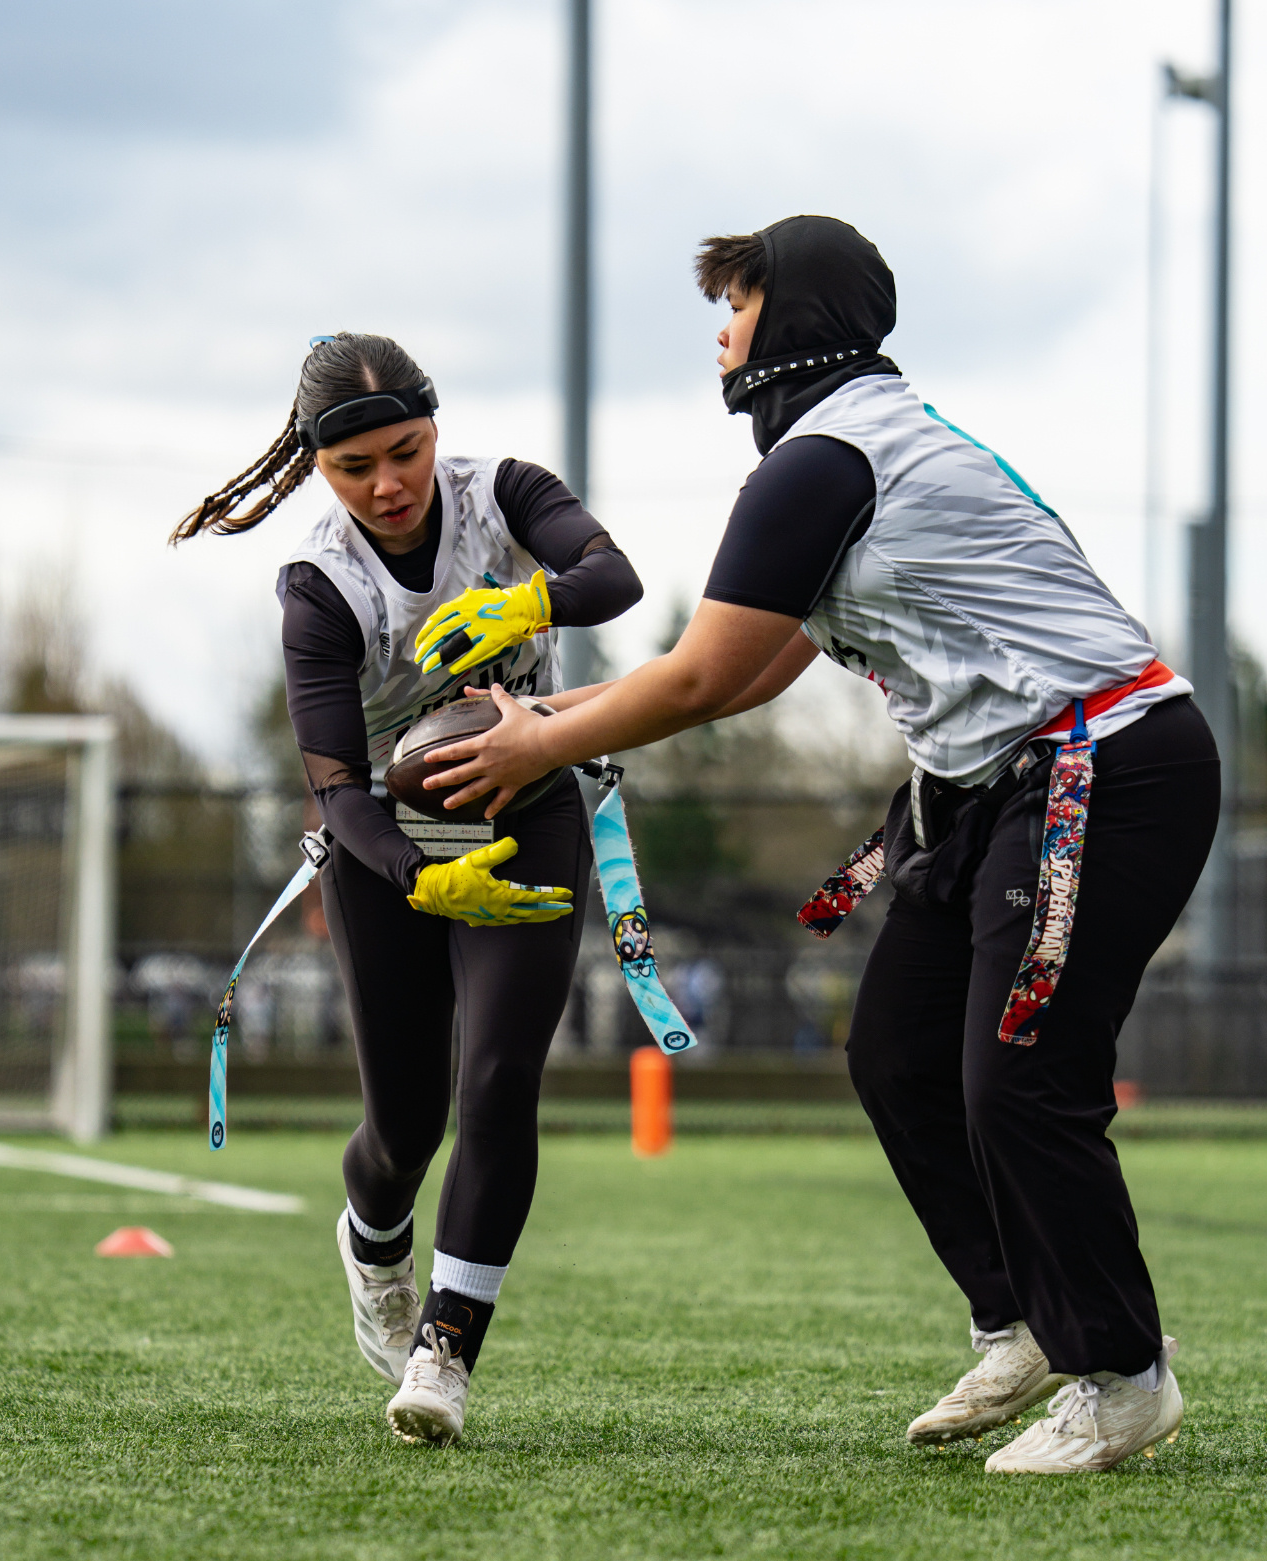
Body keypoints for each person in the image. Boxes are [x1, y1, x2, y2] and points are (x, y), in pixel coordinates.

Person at [421, 216, 1220, 1474]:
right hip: (988, 785)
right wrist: (547, 718)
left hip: (1102, 768)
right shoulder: (852, 447)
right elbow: (744, 671)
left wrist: (538, 745)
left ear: (792, 316)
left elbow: (699, 677)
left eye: (736, 305)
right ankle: (1017, 1319)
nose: (720, 335)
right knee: (896, 1053)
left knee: (1018, 1078)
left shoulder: (824, 460)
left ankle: (1120, 1374)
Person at [172, 331, 642, 1444]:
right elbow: (337, 792)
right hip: (387, 841)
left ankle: (445, 1352)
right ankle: (373, 1240)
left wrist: (532, 605)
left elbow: (613, 578)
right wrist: (419, 875)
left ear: (435, 431)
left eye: (408, 450)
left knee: (498, 1081)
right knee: (404, 1125)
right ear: (317, 468)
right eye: (355, 467)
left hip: (526, 805)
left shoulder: (504, 493)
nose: (389, 483)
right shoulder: (320, 586)